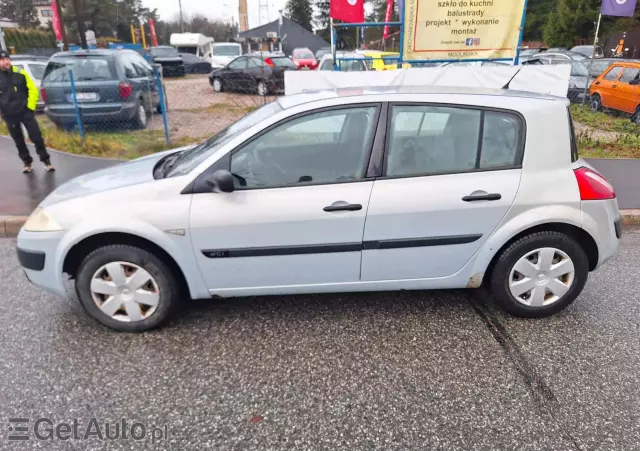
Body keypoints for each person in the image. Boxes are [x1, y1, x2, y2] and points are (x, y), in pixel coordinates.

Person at [0, 50, 54, 173]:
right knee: (18, 140)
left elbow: (33, 90)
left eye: (7, 59)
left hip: (25, 112)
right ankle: (27, 162)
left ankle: (46, 161)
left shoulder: (21, 73)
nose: (6, 62)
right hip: (9, 115)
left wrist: (30, 107)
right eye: (2, 60)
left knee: (36, 137)